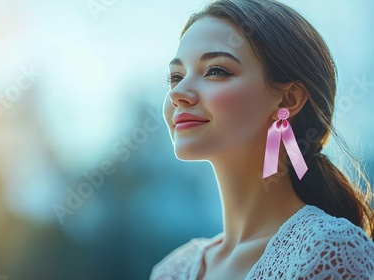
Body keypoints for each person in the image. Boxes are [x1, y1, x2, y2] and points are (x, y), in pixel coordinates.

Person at [150, 0, 374, 279]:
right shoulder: (171, 271)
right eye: (175, 76)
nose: (178, 93)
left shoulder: (328, 250)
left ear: (288, 98)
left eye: (216, 70)